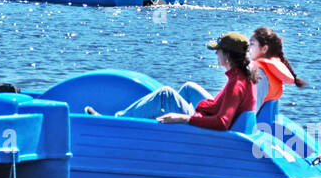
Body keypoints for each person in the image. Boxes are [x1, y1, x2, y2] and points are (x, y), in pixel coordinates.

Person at [102, 32, 254, 131]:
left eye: (218, 50)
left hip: (213, 129)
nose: (215, 53)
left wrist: (184, 118)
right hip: (211, 114)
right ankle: (169, 128)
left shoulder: (237, 84)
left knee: (165, 95)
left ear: (227, 55)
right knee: (189, 88)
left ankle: (117, 123)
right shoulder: (240, 75)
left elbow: (222, 122)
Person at [248, 27, 306, 109]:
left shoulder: (259, 73)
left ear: (264, 49)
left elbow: (254, 109)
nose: (248, 48)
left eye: (252, 44)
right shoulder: (267, 70)